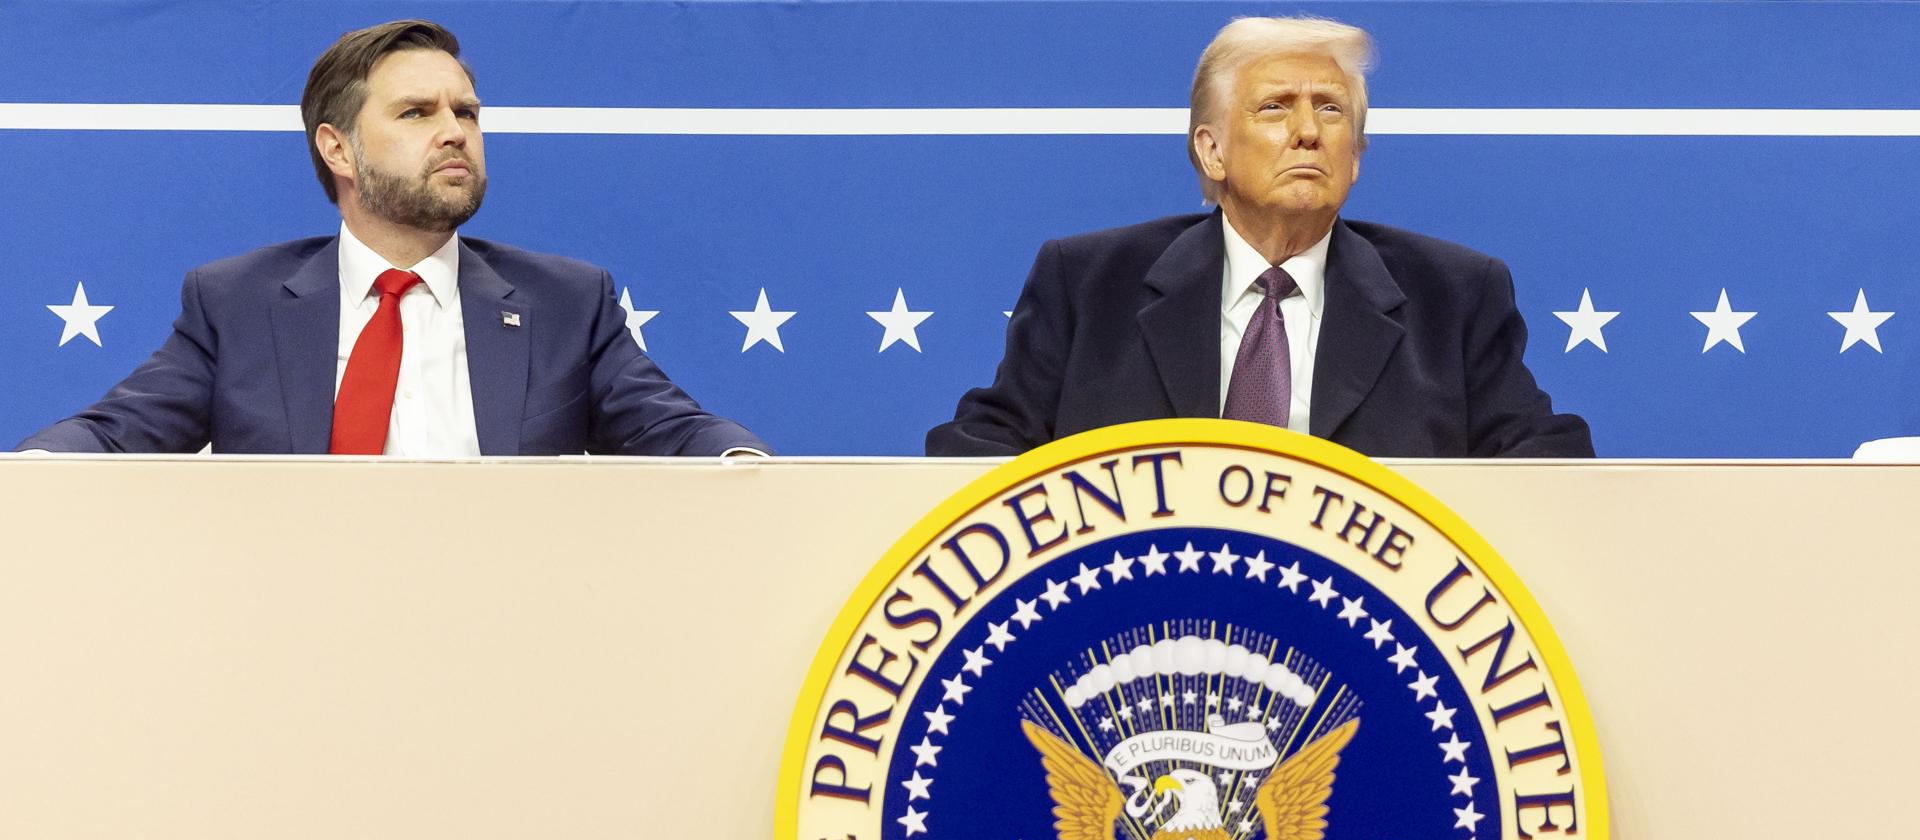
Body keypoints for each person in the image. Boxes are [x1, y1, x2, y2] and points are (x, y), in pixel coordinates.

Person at [21, 20, 767, 457]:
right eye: (417, 113)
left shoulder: (567, 303)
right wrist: (29, 477)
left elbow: (677, 433)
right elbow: (114, 437)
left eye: (467, 113)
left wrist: (748, 465)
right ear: (338, 150)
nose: (455, 132)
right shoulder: (234, 304)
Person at [927, 16, 1591, 459]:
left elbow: (1548, 465)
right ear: (1211, 152)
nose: (1309, 131)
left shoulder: (1455, 296)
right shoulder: (1088, 282)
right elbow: (979, 454)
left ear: (1355, 156)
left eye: (1331, 110)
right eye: (1275, 107)